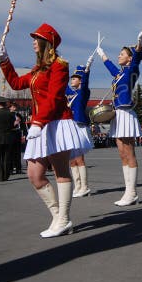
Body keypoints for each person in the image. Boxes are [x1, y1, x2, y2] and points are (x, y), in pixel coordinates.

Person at [0, 23, 92, 238]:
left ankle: (63, 220)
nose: (32, 42)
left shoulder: (59, 65)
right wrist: (4, 60)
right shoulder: (37, 70)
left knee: (61, 172)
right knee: (34, 175)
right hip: (41, 124)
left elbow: (55, 97)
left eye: (36, 38)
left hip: (56, 123)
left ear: (46, 42)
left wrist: (38, 122)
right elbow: (16, 82)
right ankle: (58, 216)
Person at [96, 32, 142, 206]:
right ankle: (128, 191)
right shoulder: (119, 74)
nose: (119, 55)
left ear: (129, 58)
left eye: (122, 54)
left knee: (129, 152)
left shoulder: (132, 69)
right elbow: (110, 67)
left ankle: (132, 193)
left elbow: (138, 57)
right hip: (117, 114)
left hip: (126, 113)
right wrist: (101, 54)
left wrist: (139, 42)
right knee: (121, 153)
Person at [66, 61, 94, 197]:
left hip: (79, 125)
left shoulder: (83, 92)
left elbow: (85, 83)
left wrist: (86, 70)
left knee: (79, 158)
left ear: (80, 80)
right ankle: (77, 186)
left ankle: (84, 186)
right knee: (71, 159)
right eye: (72, 78)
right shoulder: (68, 91)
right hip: (69, 125)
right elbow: (60, 81)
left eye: (75, 78)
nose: (72, 80)